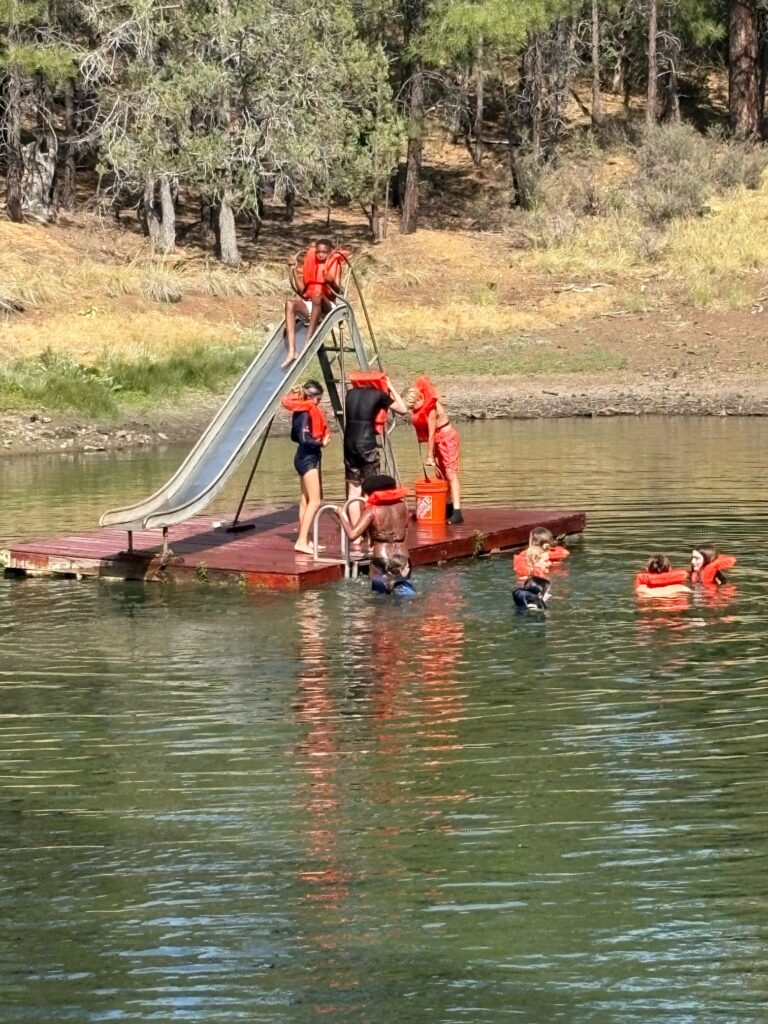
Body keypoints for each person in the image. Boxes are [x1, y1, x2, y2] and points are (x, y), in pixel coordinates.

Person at [343, 376, 407, 524]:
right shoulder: (379, 394)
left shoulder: (350, 393)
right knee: (370, 489)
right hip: (366, 443)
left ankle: (356, 535)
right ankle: (369, 529)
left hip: (349, 442)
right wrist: (390, 387)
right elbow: (403, 409)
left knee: (353, 490)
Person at [281, 380, 331, 556]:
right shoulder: (304, 413)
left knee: (305, 501)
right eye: (318, 397)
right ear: (310, 396)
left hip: (303, 457)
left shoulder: (301, 410)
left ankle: (307, 540)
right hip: (307, 459)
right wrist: (321, 443)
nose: (319, 401)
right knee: (315, 501)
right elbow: (303, 438)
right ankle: (301, 541)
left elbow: (294, 436)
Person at [405, 376, 463, 525]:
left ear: (418, 400)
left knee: (451, 473)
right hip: (438, 438)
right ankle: (448, 507)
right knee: (441, 474)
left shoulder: (430, 407)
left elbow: (431, 433)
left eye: (413, 407)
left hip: (446, 437)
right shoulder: (421, 404)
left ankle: (457, 512)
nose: (413, 410)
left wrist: (429, 456)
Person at [282, 240, 344, 368]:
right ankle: (292, 351)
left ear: (330, 252)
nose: (320, 255)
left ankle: (308, 341)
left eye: (324, 252)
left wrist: (331, 282)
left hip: (328, 307)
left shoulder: (334, 265)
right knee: (290, 304)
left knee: (317, 297)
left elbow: (338, 292)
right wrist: (294, 272)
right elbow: (302, 291)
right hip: (311, 305)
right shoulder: (311, 264)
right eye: (318, 252)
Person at [337, 474, 410, 583]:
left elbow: (352, 535)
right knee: (403, 591)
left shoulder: (372, 510)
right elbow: (406, 528)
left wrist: (341, 514)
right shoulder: (403, 505)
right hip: (404, 556)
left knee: (378, 596)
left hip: (382, 557)